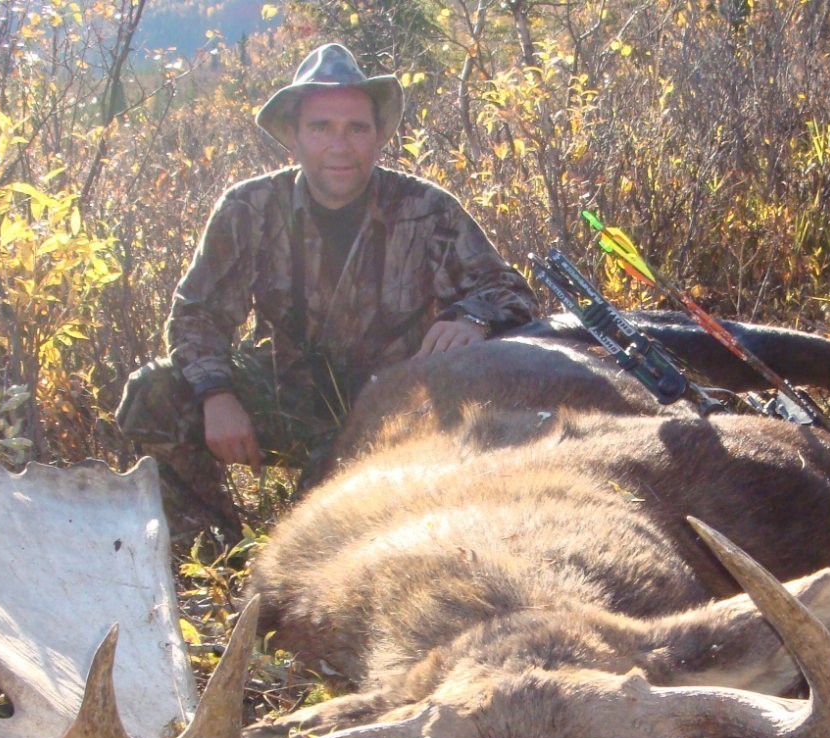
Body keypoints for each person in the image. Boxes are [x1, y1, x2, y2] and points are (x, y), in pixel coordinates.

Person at [117, 42, 537, 539]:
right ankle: (213, 552)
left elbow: (511, 293)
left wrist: (472, 317)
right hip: (286, 393)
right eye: (321, 127)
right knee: (153, 394)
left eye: (357, 128)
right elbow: (196, 314)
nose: (341, 145)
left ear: (378, 137)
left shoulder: (427, 210)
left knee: (319, 527)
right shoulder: (250, 208)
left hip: (393, 413)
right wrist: (217, 394)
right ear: (293, 137)